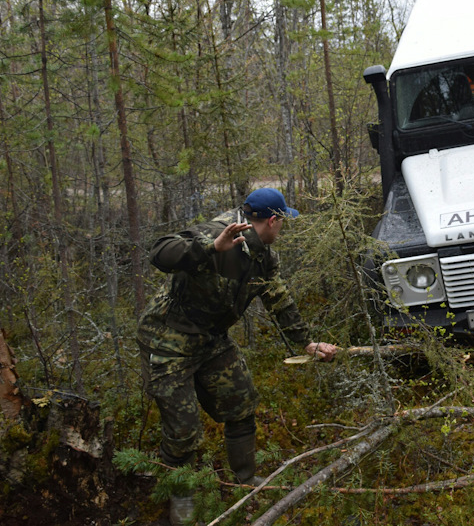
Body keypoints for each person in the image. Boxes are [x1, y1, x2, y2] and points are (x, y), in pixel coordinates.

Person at [137, 187, 337, 525]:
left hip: (211, 340)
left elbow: (277, 297)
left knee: (242, 404)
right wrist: (210, 248)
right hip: (168, 340)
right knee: (183, 433)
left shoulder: (264, 256)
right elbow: (159, 252)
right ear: (272, 220)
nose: (282, 228)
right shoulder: (218, 232)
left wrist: (305, 343)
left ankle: (245, 482)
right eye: (283, 221)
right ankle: (181, 498)